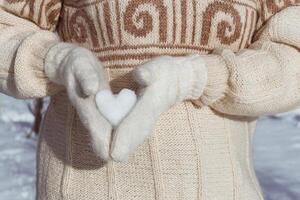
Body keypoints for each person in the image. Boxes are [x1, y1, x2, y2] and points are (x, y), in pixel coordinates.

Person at [0, 0, 299, 199]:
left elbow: (293, 53)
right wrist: (54, 61)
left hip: (219, 188)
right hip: (79, 187)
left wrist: (198, 77)